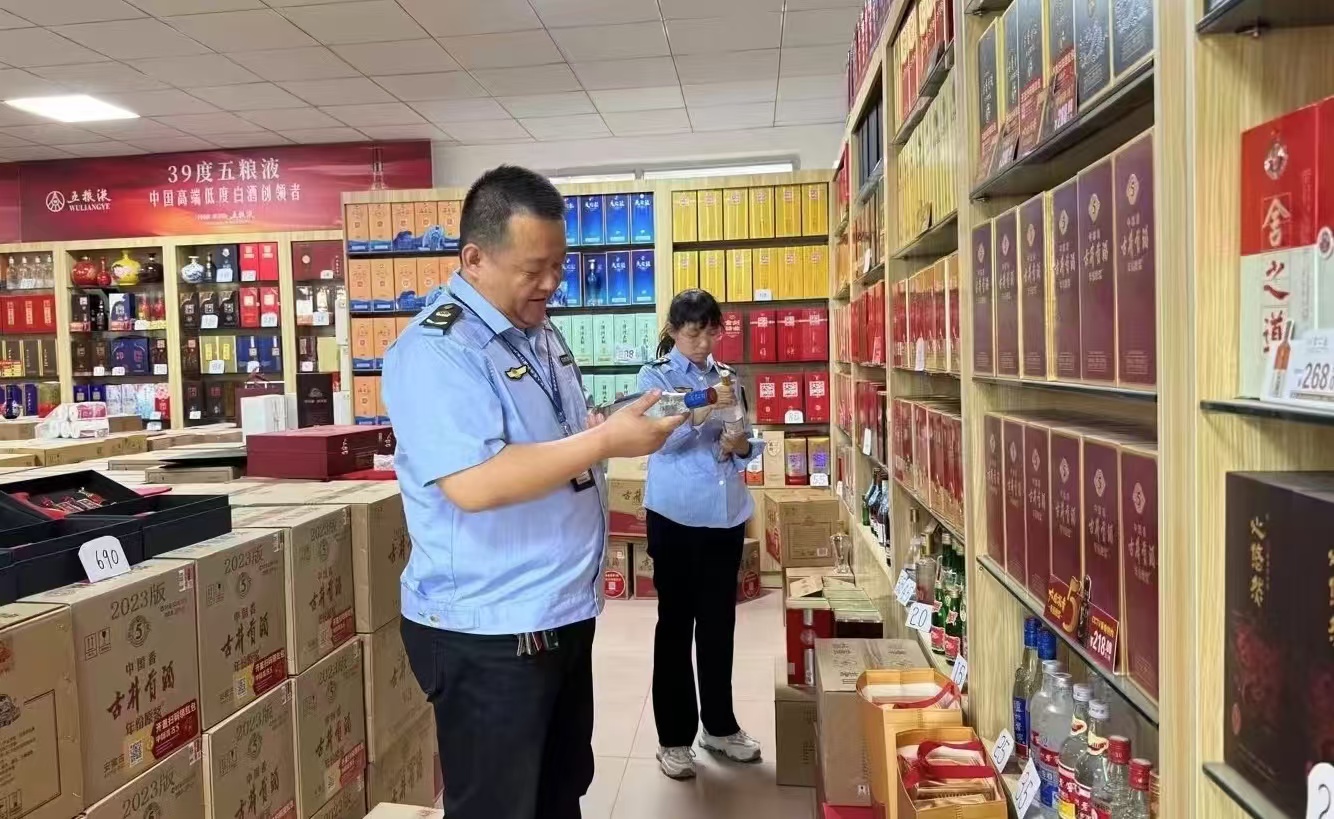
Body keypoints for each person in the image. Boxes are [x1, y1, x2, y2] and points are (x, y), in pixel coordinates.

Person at [382, 165, 687, 819]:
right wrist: (604, 443)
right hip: (491, 629)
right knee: (502, 805)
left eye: (558, 265)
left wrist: (607, 427)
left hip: (556, 612)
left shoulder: (536, 332)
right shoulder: (438, 351)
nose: (551, 282)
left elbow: (551, 440)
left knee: (557, 790)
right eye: (534, 268)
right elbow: (474, 481)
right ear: (474, 258)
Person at [636, 289, 763, 780]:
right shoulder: (655, 378)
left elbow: (749, 441)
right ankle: (673, 739)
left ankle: (719, 726)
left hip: (725, 517)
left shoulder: (726, 375)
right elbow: (659, 440)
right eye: (694, 334)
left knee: (718, 626)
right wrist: (706, 408)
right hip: (676, 518)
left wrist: (740, 444)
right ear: (673, 331)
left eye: (711, 332)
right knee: (675, 627)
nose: (704, 343)